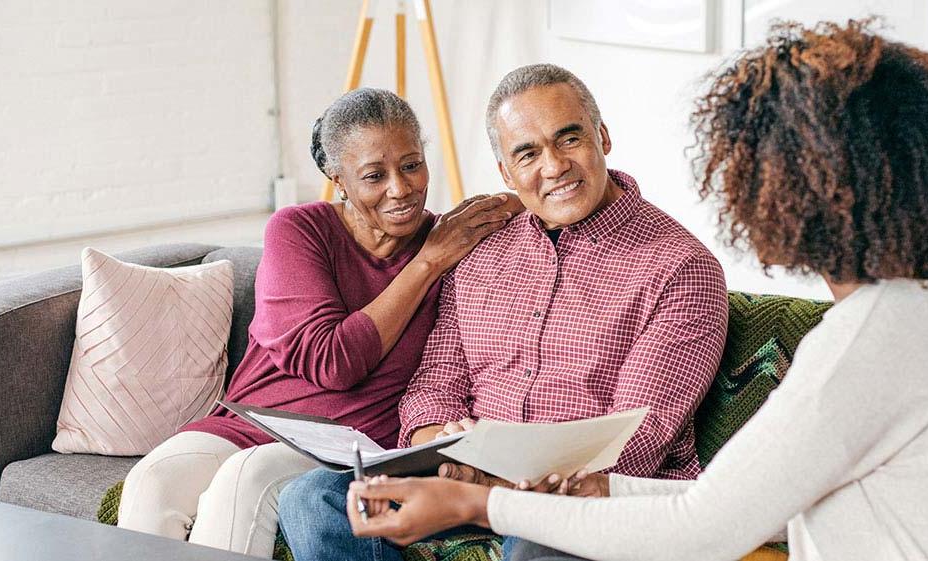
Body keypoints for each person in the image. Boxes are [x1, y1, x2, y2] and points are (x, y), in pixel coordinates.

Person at [342, 20, 928, 561]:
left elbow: (704, 525)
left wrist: (481, 501)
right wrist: (597, 494)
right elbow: (748, 510)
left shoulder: (867, 343)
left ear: (801, 193)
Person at [278, 64, 729, 561]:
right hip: (465, 479)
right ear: (506, 173)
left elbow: (638, 439)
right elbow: (435, 382)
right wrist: (439, 442)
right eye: (527, 153)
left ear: (602, 136)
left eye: (569, 138)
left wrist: (484, 489)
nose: (554, 166)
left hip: (579, 498)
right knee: (314, 497)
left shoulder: (681, 268)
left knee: (539, 541)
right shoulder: (481, 249)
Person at [116, 88, 522, 558]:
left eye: (412, 165)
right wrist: (426, 264)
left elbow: (528, 202)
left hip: (352, 443)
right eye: (374, 175)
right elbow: (332, 361)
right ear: (339, 180)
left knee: (244, 479)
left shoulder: (448, 240)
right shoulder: (300, 230)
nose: (401, 188)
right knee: (152, 482)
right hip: (253, 420)